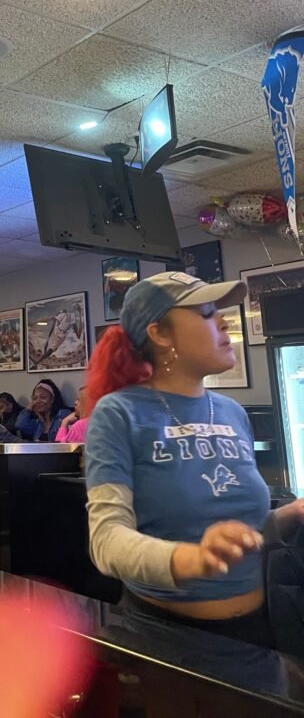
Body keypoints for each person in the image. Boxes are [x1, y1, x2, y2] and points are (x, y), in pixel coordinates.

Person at [84, 271, 304, 651]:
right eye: (205, 312)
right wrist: (190, 559)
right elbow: (106, 541)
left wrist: (289, 516)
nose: (223, 320)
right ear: (160, 334)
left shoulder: (233, 412)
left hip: (259, 632)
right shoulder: (118, 413)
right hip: (165, 638)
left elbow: (241, 536)